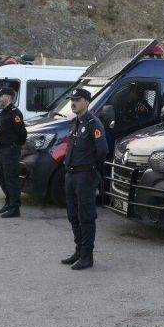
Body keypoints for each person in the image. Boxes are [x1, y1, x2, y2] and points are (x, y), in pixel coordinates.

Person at [61, 87, 108, 270]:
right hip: (71, 175)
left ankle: (87, 256)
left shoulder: (93, 124)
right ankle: (79, 251)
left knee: (86, 217)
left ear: (86, 102)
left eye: (77, 100)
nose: (73, 103)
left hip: (85, 176)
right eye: (72, 100)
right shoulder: (75, 123)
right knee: (73, 215)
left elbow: (102, 151)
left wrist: (90, 168)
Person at [0, 87, 27, 218]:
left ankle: (15, 208)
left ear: (7, 97)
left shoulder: (15, 113)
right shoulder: (4, 112)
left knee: (11, 179)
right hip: (2, 150)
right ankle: (8, 203)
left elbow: (22, 132)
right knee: (2, 178)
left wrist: (15, 145)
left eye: (0, 96)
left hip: (10, 150)